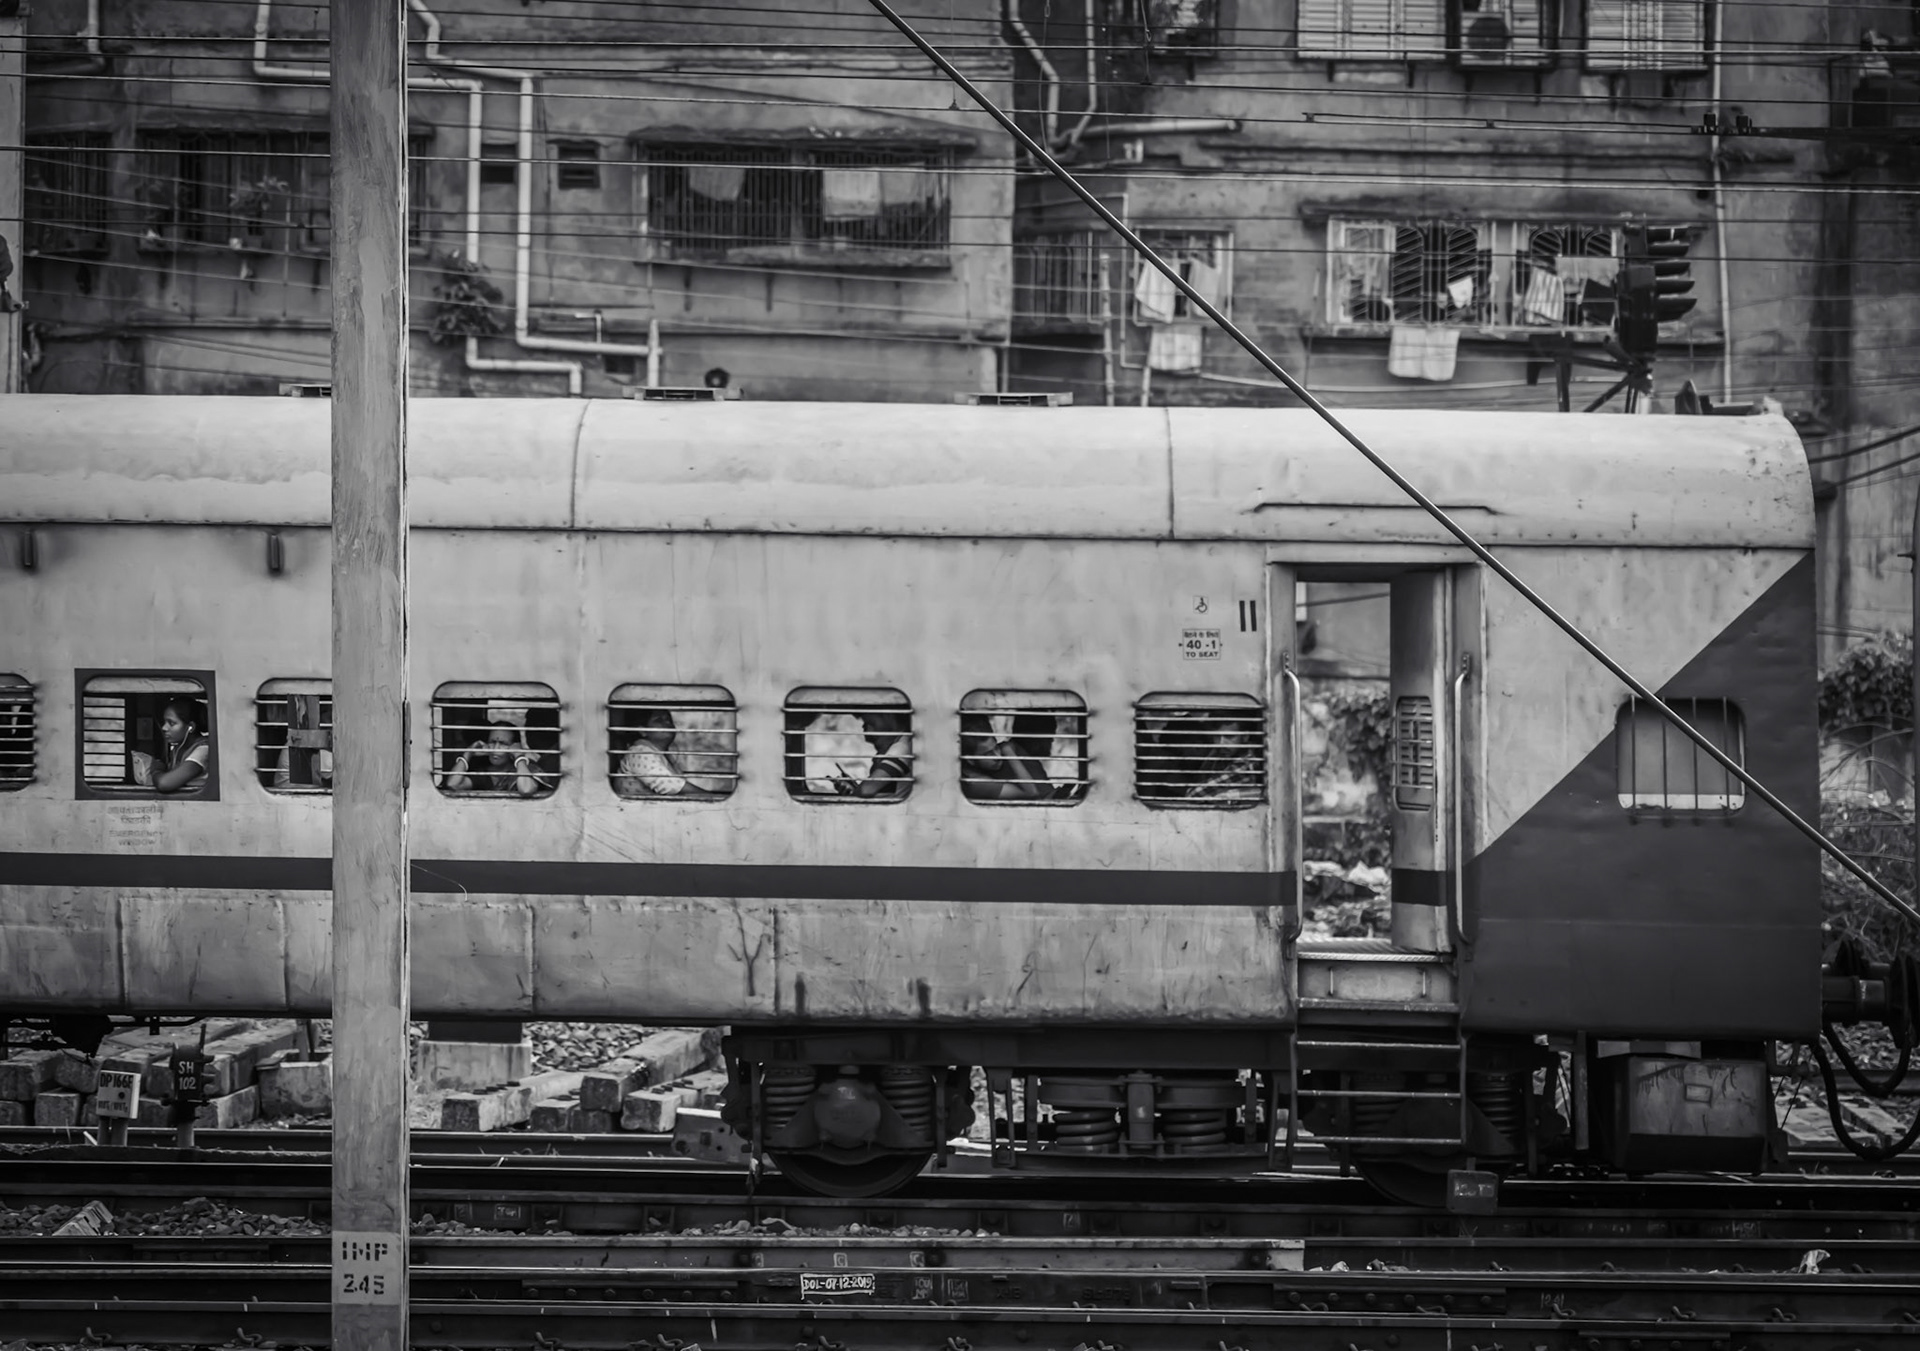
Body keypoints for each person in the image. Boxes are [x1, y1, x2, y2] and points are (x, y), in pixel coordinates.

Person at [444, 711, 544, 796]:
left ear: (515, 746)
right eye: (492, 742)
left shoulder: (528, 768)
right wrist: (468, 754)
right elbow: (453, 784)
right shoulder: (483, 774)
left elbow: (526, 789)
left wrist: (518, 757)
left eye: (503, 743)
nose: (495, 749)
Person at [961, 712, 1053, 802]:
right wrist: (1008, 752)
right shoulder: (976, 782)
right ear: (970, 760)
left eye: (996, 748)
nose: (997, 757)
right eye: (988, 754)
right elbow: (1032, 794)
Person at [616, 709, 688, 798]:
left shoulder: (662, 755)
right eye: (659, 720)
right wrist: (707, 795)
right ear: (643, 731)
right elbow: (670, 785)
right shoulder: (640, 752)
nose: (667, 723)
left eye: (668, 719)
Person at [151, 699, 212, 794]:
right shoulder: (177, 749)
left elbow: (164, 783)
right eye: (164, 722)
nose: (164, 728)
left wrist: (156, 771)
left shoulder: (203, 750)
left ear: (190, 727)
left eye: (171, 723)